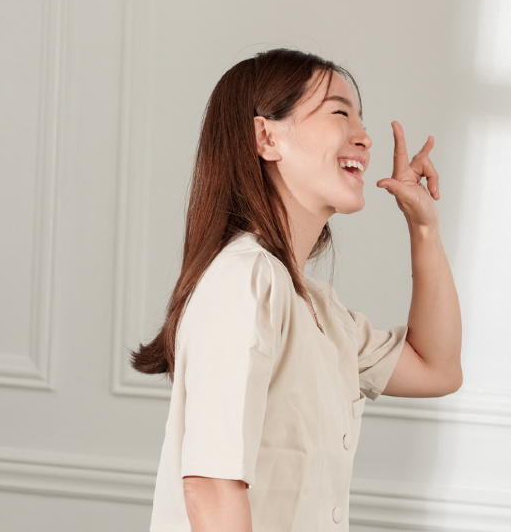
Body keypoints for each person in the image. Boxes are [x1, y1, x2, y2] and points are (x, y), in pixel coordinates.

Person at [132, 49, 463, 531]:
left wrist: (424, 227)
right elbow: (210, 484)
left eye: (361, 119)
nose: (365, 138)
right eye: (339, 113)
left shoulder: (316, 307)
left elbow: (438, 370)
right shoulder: (246, 278)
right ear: (267, 137)